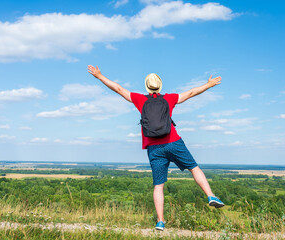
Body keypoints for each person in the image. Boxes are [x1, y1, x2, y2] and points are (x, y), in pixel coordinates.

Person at [87, 65, 224, 231]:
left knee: (159, 185)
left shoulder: (140, 99)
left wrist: (100, 76)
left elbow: (118, 88)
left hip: (154, 147)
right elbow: (190, 93)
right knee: (194, 168)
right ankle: (210, 196)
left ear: (147, 87)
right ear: (160, 86)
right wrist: (208, 85)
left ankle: (160, 221)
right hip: (173, 141)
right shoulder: (169, 99)